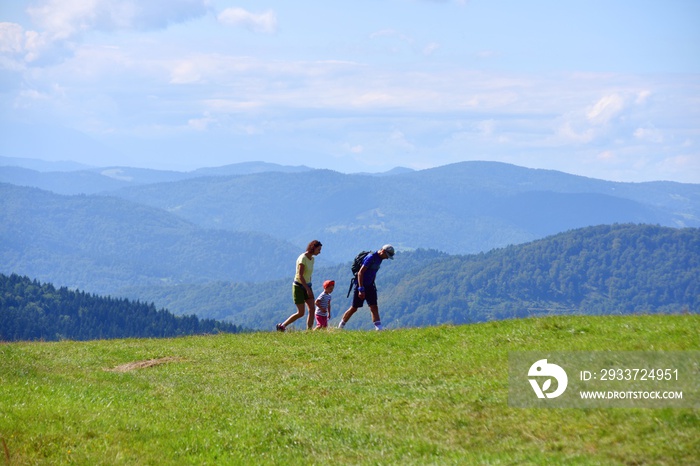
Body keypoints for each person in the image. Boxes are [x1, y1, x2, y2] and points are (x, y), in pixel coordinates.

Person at [338, 244, 395, 331]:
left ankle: (379, 328)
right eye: (387, 255)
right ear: (383, 251)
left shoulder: (380, 259)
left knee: (374, 306)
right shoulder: (371, 257)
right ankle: (340, 326)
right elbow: (361, 273)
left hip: (370, 285)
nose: (387, 258)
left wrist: (372, 282)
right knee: (354, 307)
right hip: (361, 285)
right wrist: (361, 289)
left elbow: (373, 272)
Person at [276, 240, 323, 332]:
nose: (319, 251)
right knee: (301, 313)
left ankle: (309, 331)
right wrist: (307, 289)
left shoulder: (312, 259)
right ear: (313, 248)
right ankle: (282, 326)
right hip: (299, 287)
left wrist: (309, 286)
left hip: (308, 285)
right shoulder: (302, 258)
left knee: (312, 309)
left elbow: (308, 274)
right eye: (318, 249)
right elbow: (300, 276)